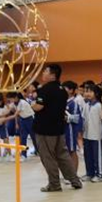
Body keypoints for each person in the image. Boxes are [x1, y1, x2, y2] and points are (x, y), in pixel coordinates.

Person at [32, 64, 82, 192]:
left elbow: (39, 106)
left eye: (45, 71)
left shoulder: (45, 90)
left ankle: (54, 184)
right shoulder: (62, 90)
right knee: (63, 155)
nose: (43, 73)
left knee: (48, 157)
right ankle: (74, 180)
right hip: (59, 128)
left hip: (45, 130)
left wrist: (31, 105)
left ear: (53, 75)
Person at [82, 84, 102, 182]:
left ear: (96, 93)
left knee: (97, 155)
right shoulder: (86, 105)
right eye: (86, 91)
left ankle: (99, 173)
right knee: (88, 155)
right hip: (86, 134)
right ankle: (89, 173)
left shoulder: (99, 105)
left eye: (90, 92)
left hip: (96, 135)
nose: (87, 94)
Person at [63, 81, 83, 174]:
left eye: (65, 89)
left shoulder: (73, 103)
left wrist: (64, 117)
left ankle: (74, 174)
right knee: (65, 152)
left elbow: (76, 118)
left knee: (72, 151)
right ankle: (68, 173)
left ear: (71, 90)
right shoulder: (63, 102)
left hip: (70, 130)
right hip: (63, 130)